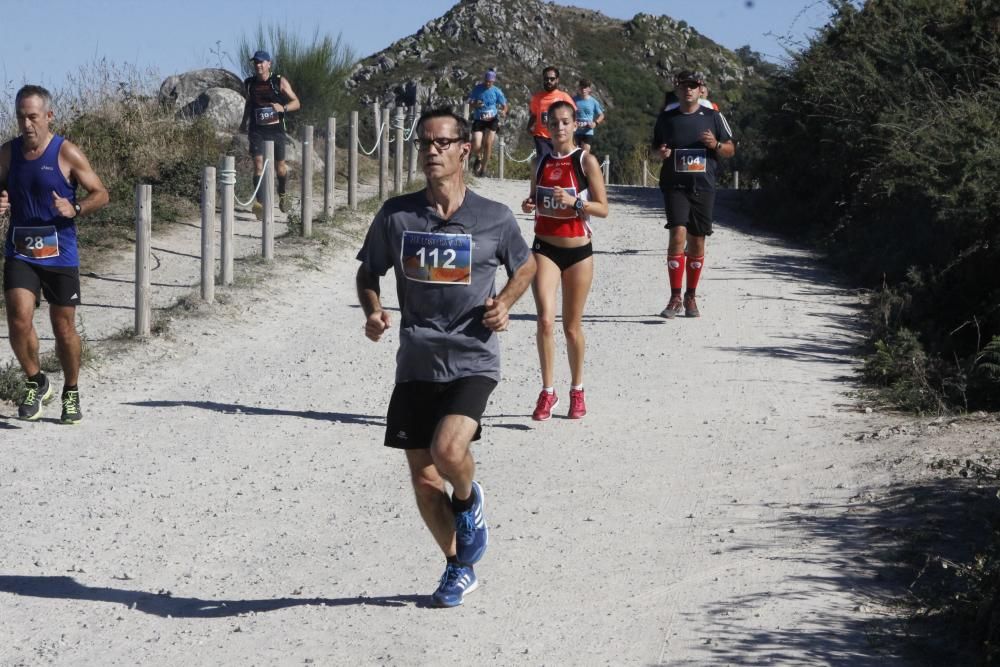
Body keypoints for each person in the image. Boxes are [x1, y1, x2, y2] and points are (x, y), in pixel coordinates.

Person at [356, 107, 536, 608]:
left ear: (465, 149)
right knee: (421, 476)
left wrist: (505, 305)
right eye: (424, 143)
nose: (431, 151)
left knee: (449, 452)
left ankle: (468, 498)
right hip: (416, 361)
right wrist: (373, 311)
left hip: (473, 355)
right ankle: (459, 566)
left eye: (441, 143)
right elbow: (368, 273)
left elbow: (526, 267)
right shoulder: (397, 215)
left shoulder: (494, 218)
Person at [0, 85, 109, 423]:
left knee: (63, 329)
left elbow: (101, 193)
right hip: (21, 250)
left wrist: (75, 207)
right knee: (18, 318)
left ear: (48, 117)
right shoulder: (7, 153)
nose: (26, 124)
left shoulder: (67, 153)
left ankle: (71, 390)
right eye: (21, 117)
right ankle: (36, 381)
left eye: (33, 117)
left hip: (60, 254)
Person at [521, 101, 609, 421]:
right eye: (554, 122)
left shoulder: (585, 161)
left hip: (578, 252)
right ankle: (548, 392)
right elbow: (535, 197)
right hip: (544, 248)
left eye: (565, 122)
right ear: (546, 125)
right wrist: (530, 203)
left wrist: (575, 203)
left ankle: (577, 388)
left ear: (575, 125)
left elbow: (603, 208)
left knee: (572, 328)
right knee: (545, 320)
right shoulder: (539, 162)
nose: (559, 128)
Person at [651, 70, 734, 319]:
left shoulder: (713, 116)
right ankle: (675, 296)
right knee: (677, 233)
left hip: (703, 186)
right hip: (674, 185)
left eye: (693, 86)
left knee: (697, 241)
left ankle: (691, 295)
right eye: (684, 86)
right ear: (677, 90)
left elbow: (730, 149)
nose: (688, 90)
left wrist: (715, 145)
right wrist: (661, 154)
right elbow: (655, 148)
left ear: (701, 89)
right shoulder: (667, 117)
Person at [239, 50, 300, 217]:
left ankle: (282, 193)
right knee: (258, 164)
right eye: (255, 62)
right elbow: (249, 104)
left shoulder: (278, 82)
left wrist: (284, 108)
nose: (258, 65)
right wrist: (243, 123)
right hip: (257, 130)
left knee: (279, 168)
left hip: (276, 130)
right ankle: (259, 203)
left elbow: (297, 102)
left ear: (268, 64)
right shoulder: (250, 83)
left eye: (261, 62)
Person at [527, 66, 576, 159]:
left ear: (557, 80)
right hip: (542, 137)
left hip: (560, 136)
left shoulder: (564, 97)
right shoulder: (537, 98)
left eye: (552, 79)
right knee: (545, 162)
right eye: (546, 79)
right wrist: (529, 126)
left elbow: (573, 114)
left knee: (560, 162)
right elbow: (534, 114)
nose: (549, 81)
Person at [467, 68, 508, 177]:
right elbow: (470, 103)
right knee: (476, 144)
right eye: (486, 81)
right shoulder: (477, 89)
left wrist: (503, 112)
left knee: (488, 144)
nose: (488, 83)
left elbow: (505, 105)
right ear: (484, 79)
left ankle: (483, 170)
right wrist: (475, 104)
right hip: (479, 119)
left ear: (493, 81)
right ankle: (478, 158)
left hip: (492, 120)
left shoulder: (497, 91)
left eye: (490, 82)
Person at [572, 79, 606, 152]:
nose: (583, 89)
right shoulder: (573, 100)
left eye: (585, 87)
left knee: (585, 154)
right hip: (575, 131)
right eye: (582, 87)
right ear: (579, 88)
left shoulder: (593, 102)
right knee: (574, 153)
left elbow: (601, 115)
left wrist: (595, 123)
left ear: (589, 89)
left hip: (588, 132)